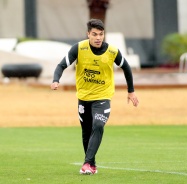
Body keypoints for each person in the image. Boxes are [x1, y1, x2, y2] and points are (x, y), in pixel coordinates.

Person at [50, 19, 139, 175]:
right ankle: (92, 164)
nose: (98, 38)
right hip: (84, 98)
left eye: (101, 34)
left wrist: (130, 91)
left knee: (98, 125)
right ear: (88, 34)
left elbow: (126, 67)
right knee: (86, 132)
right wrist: (56, 80)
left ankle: (86, 164)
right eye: (95, 34)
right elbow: (61, 65)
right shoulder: (78, 48)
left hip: (103, 97)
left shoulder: (112, 51)